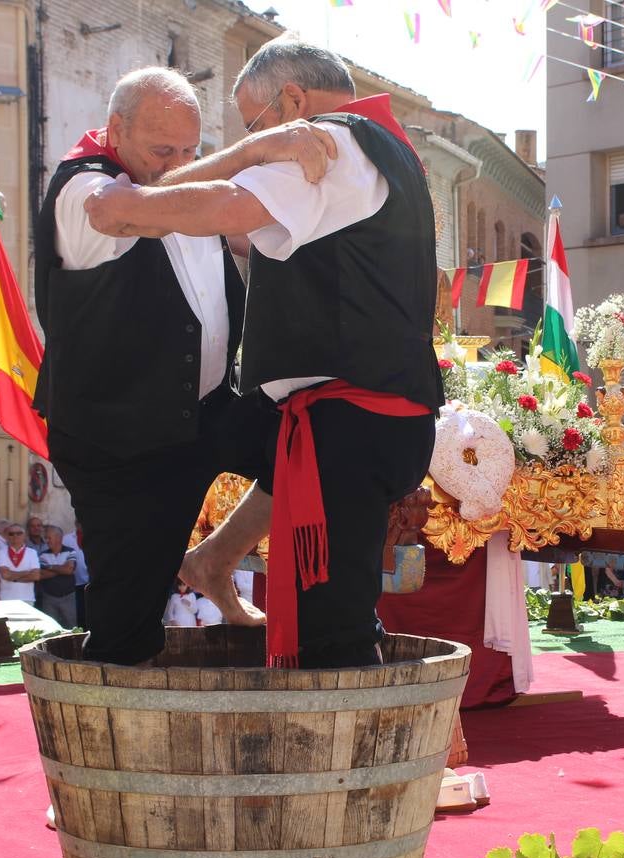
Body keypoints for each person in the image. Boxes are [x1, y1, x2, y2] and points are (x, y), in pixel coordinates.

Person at [87, 38, 443, 669]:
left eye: (253, 123)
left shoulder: (330, 144)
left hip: (352, 415)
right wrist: (245, 151)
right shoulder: (379, 145)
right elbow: (243, 228)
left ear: (294, 101)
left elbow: (228, 205)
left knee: (333, 635)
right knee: (326, 608)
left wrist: (134, 203)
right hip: (370, 410)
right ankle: (216, 559)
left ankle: (351, 761)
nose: (258, 144)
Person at [33, 66, 333, 664]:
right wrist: (257, 148)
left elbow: (255, 235)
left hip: (209, 407)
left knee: (323, 442)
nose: (176, 165)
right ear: (115, 130)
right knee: (128, 633)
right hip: (121, 439)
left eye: (190, 151)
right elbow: (121, 213)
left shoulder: (181, 180)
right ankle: (108, 736)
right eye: (161, 150)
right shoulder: (81, 184)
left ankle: (214, 561)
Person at [36, 526, 79, 628]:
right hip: (49, 598)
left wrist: (50, 567)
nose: (46, 541)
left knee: (71, 626)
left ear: (59, 538)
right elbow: (40, 575)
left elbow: (69, 570)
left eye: (49, 538)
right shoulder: (43, 555)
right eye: (46, 538)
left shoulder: (70, 551)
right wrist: (62, 569)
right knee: (50, 627)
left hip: (68, 597)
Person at [0, 524, 40, 605]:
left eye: (19, 533)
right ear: (7, 536)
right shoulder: (2, 552)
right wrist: (26, 572)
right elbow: (5, 575)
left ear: (24, 535)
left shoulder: (32, 552)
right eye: (11, 534)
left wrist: (13, 577)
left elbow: (35, 576)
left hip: (27, 598)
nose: (15, 536)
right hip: (6, 599)